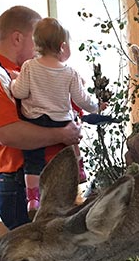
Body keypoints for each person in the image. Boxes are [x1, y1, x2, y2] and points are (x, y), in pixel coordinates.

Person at [0, 6, 82, 230]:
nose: (42, 50)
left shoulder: (32, 70)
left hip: (54, 172)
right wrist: (61, 133)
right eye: (38, 41)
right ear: (18, 38)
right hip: (21, 181)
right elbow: (7, 132)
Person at [10, 17, 105, 211]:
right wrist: (97, 107)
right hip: (61, 121)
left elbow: (19, 92)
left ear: (36, 45)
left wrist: (14, 81)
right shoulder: (70, 73)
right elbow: (82, 100)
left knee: (33, 160)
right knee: (72, 143)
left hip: (35, 121)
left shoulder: (29, 67)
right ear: (62, 46)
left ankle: (33, 199)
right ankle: (79, 171)